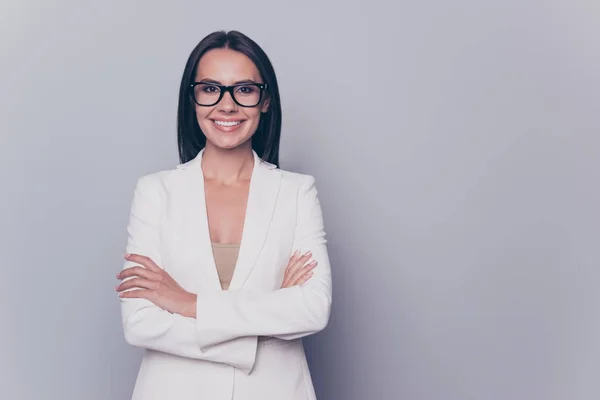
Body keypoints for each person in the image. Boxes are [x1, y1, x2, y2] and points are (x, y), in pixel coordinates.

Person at [114, 30, 332, 400]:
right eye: (210, 88)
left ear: (265, 101)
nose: (227, 105)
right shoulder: (155, 192)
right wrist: (267, 318)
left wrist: (189, 304)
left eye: (244, 89)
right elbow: (140, 323)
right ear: (193, 98)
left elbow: (312, 309)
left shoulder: (297, 192)